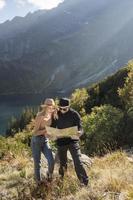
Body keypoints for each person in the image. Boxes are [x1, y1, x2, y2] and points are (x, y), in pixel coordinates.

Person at [51, 98, 89, 186]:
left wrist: (80, 132)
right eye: (61, 108)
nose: (62, 110)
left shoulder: (74, 114)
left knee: (78, 161)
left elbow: (80, 127)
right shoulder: (56, 114)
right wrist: (52, 134)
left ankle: (84, 182)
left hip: (73, 141)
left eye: (65, 109)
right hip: (61, 142)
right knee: (63, 164)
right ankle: (61, 181)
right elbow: (52, 128)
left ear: (69, 107)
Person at [31, 98, 56, 184]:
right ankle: (38, 182)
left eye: (51, 105)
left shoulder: (52, 114)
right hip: (36, 141)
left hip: (45, 140)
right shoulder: (40, 116)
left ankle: (49, 175)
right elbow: (35, 132)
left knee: (51, 160)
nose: (50, 107)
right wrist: (46, 131)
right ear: (45, 106)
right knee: (37, 163)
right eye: (48, 105)